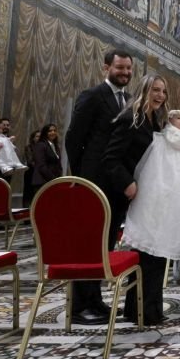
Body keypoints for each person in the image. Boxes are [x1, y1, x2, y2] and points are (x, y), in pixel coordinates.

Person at [64, 49, 134, 324]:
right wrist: (82, 177)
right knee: (87, 243)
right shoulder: (93, 96)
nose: (125, 73)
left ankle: (95, 299)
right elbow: (73, 138)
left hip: (115, 185)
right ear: (106, 67)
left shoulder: (128, 100)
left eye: (128, 69)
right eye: (120, 68)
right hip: (93, 183)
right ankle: (79, 306)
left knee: (105, 244)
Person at [104, 74, 171, 325]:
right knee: (145, 252)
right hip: (135, 195)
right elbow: (111, 159)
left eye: (163, 91)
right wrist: (127, 183)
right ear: (144, 89)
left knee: (156, 252)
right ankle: (142, 311)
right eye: (155, 90)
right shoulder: (130, 118)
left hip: (153, 196)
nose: (160, 96)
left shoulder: (155, 120)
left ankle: (148, 310)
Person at [123, 108, 180, 280]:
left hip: (173, 196)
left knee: (159, 254)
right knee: (150, 247)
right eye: (178, 118)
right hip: (159, 193)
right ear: (170, 120)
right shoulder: (168, 136)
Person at [28, 123, 62, 204]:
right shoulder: (40, 145)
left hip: (52, 181)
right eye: (50, 131)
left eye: (54, 130)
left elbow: (57, 164)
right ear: (45, 133)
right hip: (42, 181)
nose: (53, 132)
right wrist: (53, 179)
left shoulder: (55, 145)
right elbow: (41, 165)